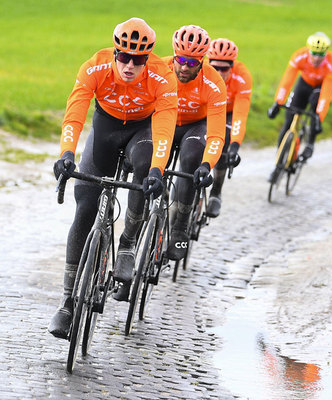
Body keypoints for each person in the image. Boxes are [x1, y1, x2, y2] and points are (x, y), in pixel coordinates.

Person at [48, 17, 178, 339]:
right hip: (105, 127)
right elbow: (76, 109)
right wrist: (66, 153)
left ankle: (128, 244)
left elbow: (164, 126)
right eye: (124, 57)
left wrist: (158, 169)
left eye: (138, 60)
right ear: (115, 52)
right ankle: (67, 302)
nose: (130, 65)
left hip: (141, 131)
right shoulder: (95, 66)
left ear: (148, 59)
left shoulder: (163, 76)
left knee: (145, 168)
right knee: (85, 208)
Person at [162, 25, 227, 260]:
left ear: (202, 61)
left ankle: (180, 226)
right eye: (180, 59)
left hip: (195, 127)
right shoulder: (159, 69)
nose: (184, 67)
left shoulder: (214, 83)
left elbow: (217, 133)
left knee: (190, 159)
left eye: (192, 62)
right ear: (173, 55)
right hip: (166, 122)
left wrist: (207, 164)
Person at [267, 32, 332, 165]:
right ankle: (278, 162)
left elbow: (326, 95)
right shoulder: (299, 56)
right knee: (289, 118)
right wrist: (278, 103)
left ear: (326, 54)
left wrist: (319, 117)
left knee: (315, 107)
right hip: (304, 83)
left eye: (321, 55)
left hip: (320, 87)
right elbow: (287, 81)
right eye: (314, 53)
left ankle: (310, 144)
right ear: (308, 50)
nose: (317, 58)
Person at [206, 38, 252, 218]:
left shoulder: (243, 77)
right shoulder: (199, 70)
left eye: (224, 69)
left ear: (232, 67)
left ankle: (216, 192)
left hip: (229, 113)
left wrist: (235, 145)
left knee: (223, 141)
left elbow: (240, 114)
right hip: (206, 109)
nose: (218, 72)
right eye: (214, 67)